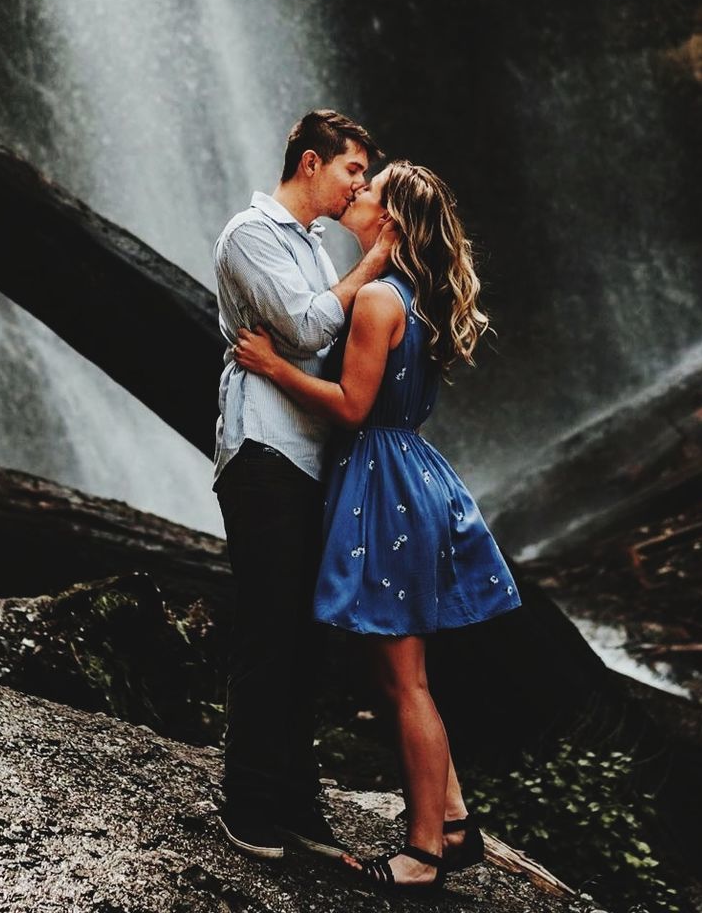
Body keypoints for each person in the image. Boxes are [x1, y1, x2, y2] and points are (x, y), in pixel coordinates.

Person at [234, 160, 521, 892]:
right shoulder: (413, 295)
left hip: (384, 485)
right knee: (399, 673)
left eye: (369, 191)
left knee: (404, 684)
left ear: (388, 222)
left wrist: (272, 366)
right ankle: (452, 820)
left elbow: (353, 406)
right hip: (410, 474)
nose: (355, 195)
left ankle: (423, 854)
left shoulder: (377, 305)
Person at [212, 109, 396, 862]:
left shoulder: (312, 247)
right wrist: (371, 266)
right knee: (269, 629)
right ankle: (245, 802)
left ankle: (292, 801)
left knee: (303, 638)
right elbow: (312, 326)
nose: (359, 184)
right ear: (312, 162)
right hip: (263, 450)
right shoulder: (250, 235)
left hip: (312, 456)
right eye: (354, 168)